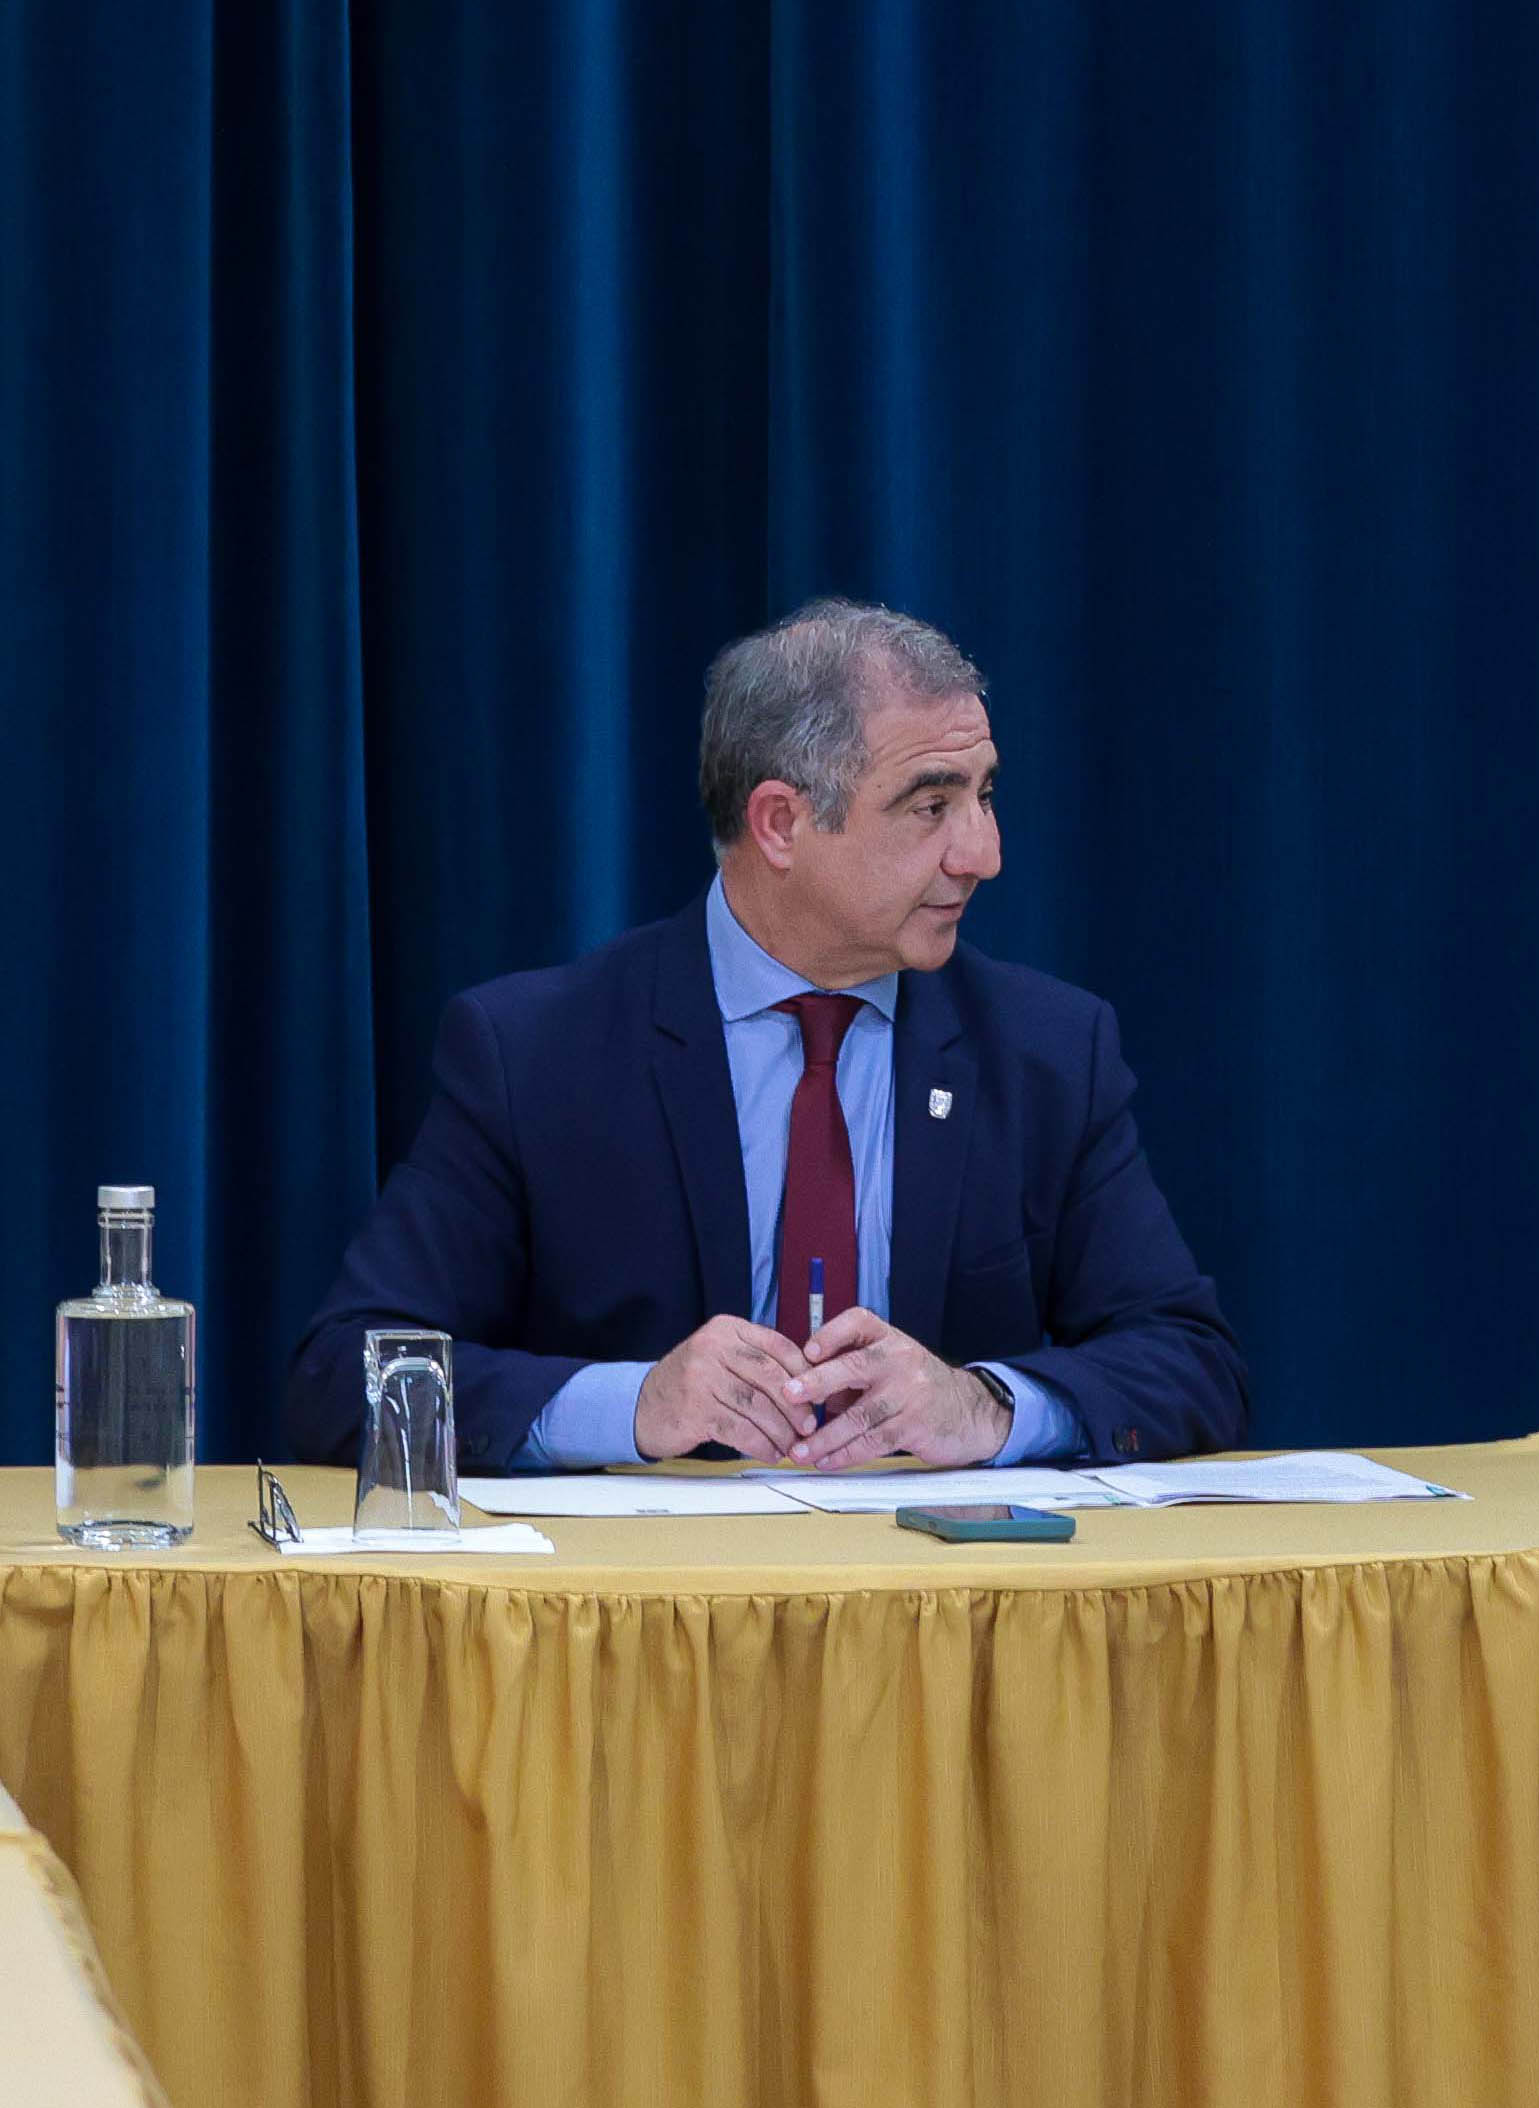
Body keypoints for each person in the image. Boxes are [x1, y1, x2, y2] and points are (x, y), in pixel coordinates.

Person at [280, 600, 1245, 1474]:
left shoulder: (1050, 1054)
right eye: (931, 804)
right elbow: (343, 1372)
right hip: (645, 1636)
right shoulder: (533, 1053)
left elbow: (1190, 1360)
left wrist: (985, 1406)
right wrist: (630, 1405)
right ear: (780, 822)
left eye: (985, 795)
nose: (982, 853)